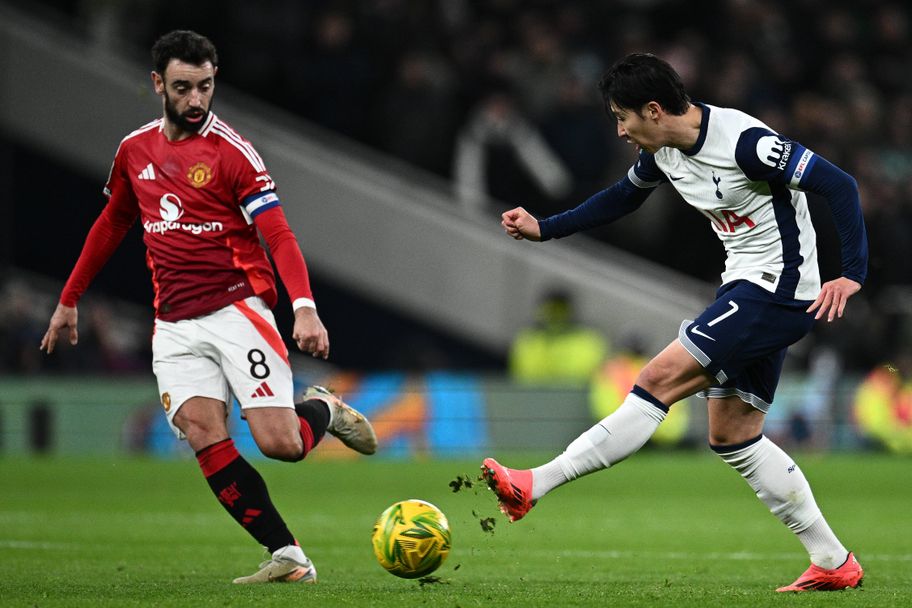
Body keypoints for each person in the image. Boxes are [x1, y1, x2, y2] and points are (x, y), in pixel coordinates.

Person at [482, 53, 867, 593]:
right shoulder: (665, 152)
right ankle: (832, 560)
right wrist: (545, 228)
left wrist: (851, 274)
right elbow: (620, 199)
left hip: (778, 289)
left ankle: (534, 483)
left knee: (658, 380)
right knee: (733, 434)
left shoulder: (745, 144)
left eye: (623, 117)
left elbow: (841, 185)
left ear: (655, 110)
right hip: (745, 286)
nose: (620, 131)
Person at [39, 30, 377, 584]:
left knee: (280, 446)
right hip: (172, 322)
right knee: (203, 431)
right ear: (157, 85)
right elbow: (113, 222)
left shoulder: (232, 154)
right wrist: (68, 299)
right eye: (183, 88)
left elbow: (280, 235)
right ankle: (289, 556)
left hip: (236, 310)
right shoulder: (134, 151)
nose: (196, 100)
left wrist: (305, 306)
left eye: (205, 87)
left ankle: (324, 410)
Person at [508, 289, 608, 385]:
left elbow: (592, 377)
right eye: (551, 309)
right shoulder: (527, 340)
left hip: (577, 399)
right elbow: (523, 377)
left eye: (560, 309)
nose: (555, 314)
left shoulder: (588, 340)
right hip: (535, 399)